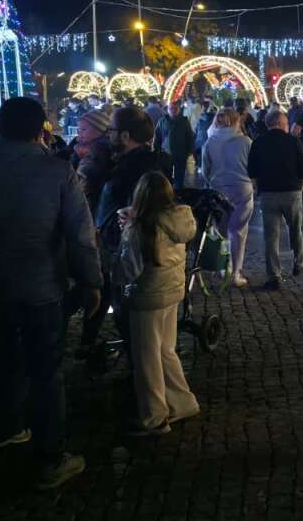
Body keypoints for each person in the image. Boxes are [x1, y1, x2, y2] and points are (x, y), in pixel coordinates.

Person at [0, 97, 101, 489]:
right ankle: (49, 458)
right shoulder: (59, 172)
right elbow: (80, 236)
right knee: (45, 372)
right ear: (39, 130)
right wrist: (91, 281)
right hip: (40, 287)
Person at [117, 172, 200, 436]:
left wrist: (111, 260)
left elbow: (128, 269)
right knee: (166, 350)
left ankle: (154, 416)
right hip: (172, 292)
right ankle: (182, 402)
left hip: (147, 297)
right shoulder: (179, 219)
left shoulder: (140, 228)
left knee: (147, 358)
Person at [88, 107, 173, 353]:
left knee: (129, 316)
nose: (108, 135)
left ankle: (139, 372)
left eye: (111, 130)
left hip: (126, 249)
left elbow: (140, 211)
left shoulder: (136, 168)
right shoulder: (138, 162)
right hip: (121, 244)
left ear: (125, 136)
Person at [248, 108, 303, 290]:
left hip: (268, 193)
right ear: (281, 123)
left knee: (271, 237)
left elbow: (252, 171)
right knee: (295, 229)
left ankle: (273, 275)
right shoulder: (293, 141)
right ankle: (299, 261)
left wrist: (258, 187)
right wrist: (300, 188)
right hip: (291, 191)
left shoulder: (258, 142)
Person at [202, 109, 255, 287]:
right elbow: (253, 167)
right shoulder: (246, 141)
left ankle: (223, 267)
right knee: (239, 231)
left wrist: (213, 183)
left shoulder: (210, 142)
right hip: (242, 188)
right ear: (236, 121)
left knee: (221, 231)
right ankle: (236, 273)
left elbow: (206, 169)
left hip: (218, 189)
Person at [71, 108, 112, 212]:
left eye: (84, 130)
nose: (80, 133)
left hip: (91, 206)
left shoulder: (95, 152)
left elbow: (82, 184)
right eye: (78, 130)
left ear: (100, 130)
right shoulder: (83, 148)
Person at [154, 100, 197, 190]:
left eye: (175, 108)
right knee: (166, 175)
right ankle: (168, 191)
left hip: (181, 153)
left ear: (179, 110)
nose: (173, 110)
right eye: (171, 108)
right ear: (168, 110)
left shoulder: (184, 121)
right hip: (166, 153)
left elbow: (189, 136)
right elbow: (157, 137)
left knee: (179, 175)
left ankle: (179, 191)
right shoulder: (162, 121)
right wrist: (156, 151)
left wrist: (190, 150)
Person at [193, 98, 215, 168]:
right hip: (210, 141)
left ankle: (199, 165)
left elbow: (196, 130)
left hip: (199, 142)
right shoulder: (214, 117)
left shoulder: (199, 118)